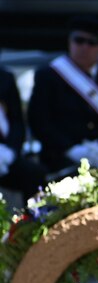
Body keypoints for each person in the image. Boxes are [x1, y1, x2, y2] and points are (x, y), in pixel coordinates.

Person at [27, 17, 98, 175]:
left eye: (92, 42)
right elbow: (39, 121)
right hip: (62, 157)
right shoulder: (48, 76)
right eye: (79, 40)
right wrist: (71, 149)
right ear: (70, 42)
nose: (84, 47)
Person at [0, 67, 46, 197]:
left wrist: (10, 151)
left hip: (3, 154)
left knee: (34, 173)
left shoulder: (5, 78)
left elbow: (17, 122)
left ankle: (34, 216)